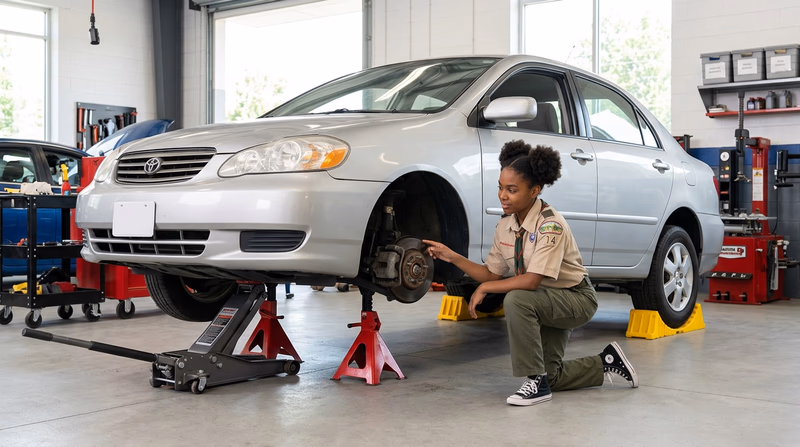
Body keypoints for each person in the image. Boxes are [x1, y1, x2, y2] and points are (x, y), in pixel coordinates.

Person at [423, 140, 638, 406]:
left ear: (534, 191)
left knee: (516, 298)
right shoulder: (505, 226)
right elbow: (491, 274)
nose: (503, 195)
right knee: (554, 376)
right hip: (545, 299)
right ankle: (605, 363)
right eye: (500, 188)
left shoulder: (550, 224)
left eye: (512, 190)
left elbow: (531, 280)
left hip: (575, 298)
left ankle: (535, 382)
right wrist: (452, 257)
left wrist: (485, 289)